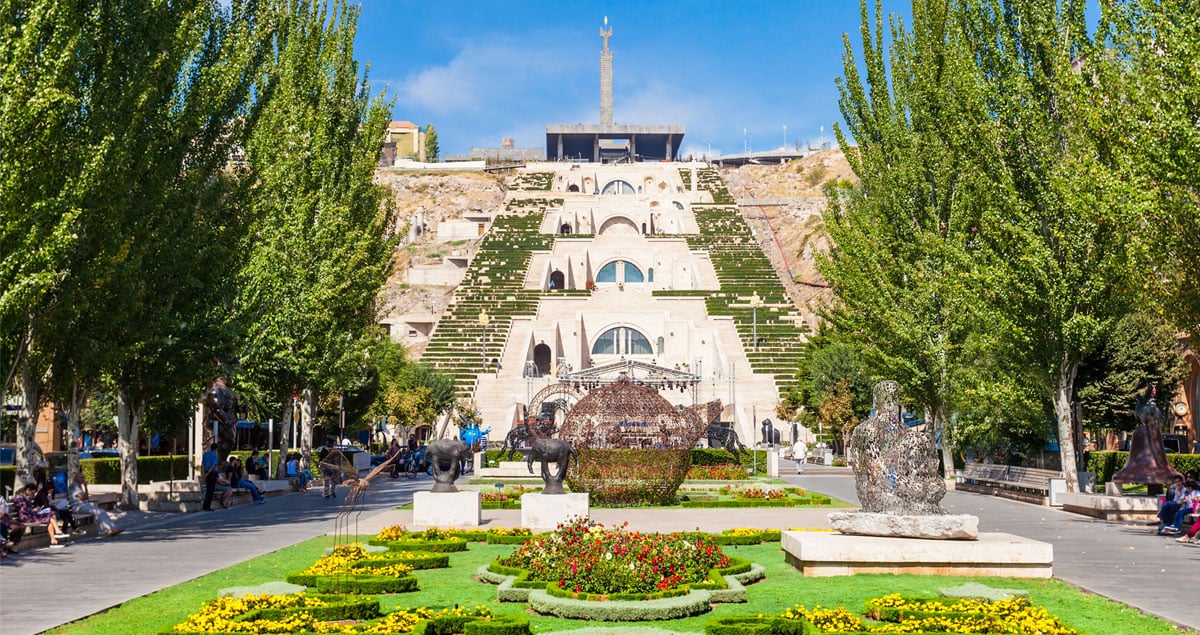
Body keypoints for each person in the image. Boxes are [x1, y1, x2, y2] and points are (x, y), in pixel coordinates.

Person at [69, 472, 123, 538]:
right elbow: (83, 498)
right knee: (98, 511)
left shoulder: (78, 486)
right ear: (76, 478)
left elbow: (85, 497)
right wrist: (85, 487)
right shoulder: (74, 486)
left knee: (102, 511)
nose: (83, 479)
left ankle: (113, 529)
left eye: (84, 477)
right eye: (82, 477)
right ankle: (107, 530)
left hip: (85, 505)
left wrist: (85, 489)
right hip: (78, 507)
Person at [12, 483, 64, 547]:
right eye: (32, 493)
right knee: (51, 515)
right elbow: (22, 511)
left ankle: (54, 540)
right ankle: (57, 531)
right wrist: (33, 510)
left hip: (31, 515)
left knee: (51, 516)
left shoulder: (24, 497)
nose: (32, 495)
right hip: (26, 517)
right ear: (28, 490)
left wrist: (35, 510)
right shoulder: (19, 498)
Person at [201, 443, 220, 511]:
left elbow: (202, 464)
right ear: (216, 448)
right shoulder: (215, 454)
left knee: (208, 489)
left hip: (206, 472)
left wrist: (204, 474)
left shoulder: (205, 454)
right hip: (212, 473)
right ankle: (207, 506)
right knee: (211, 490)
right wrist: (208, 473)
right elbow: (213, 465)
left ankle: (205, 505)